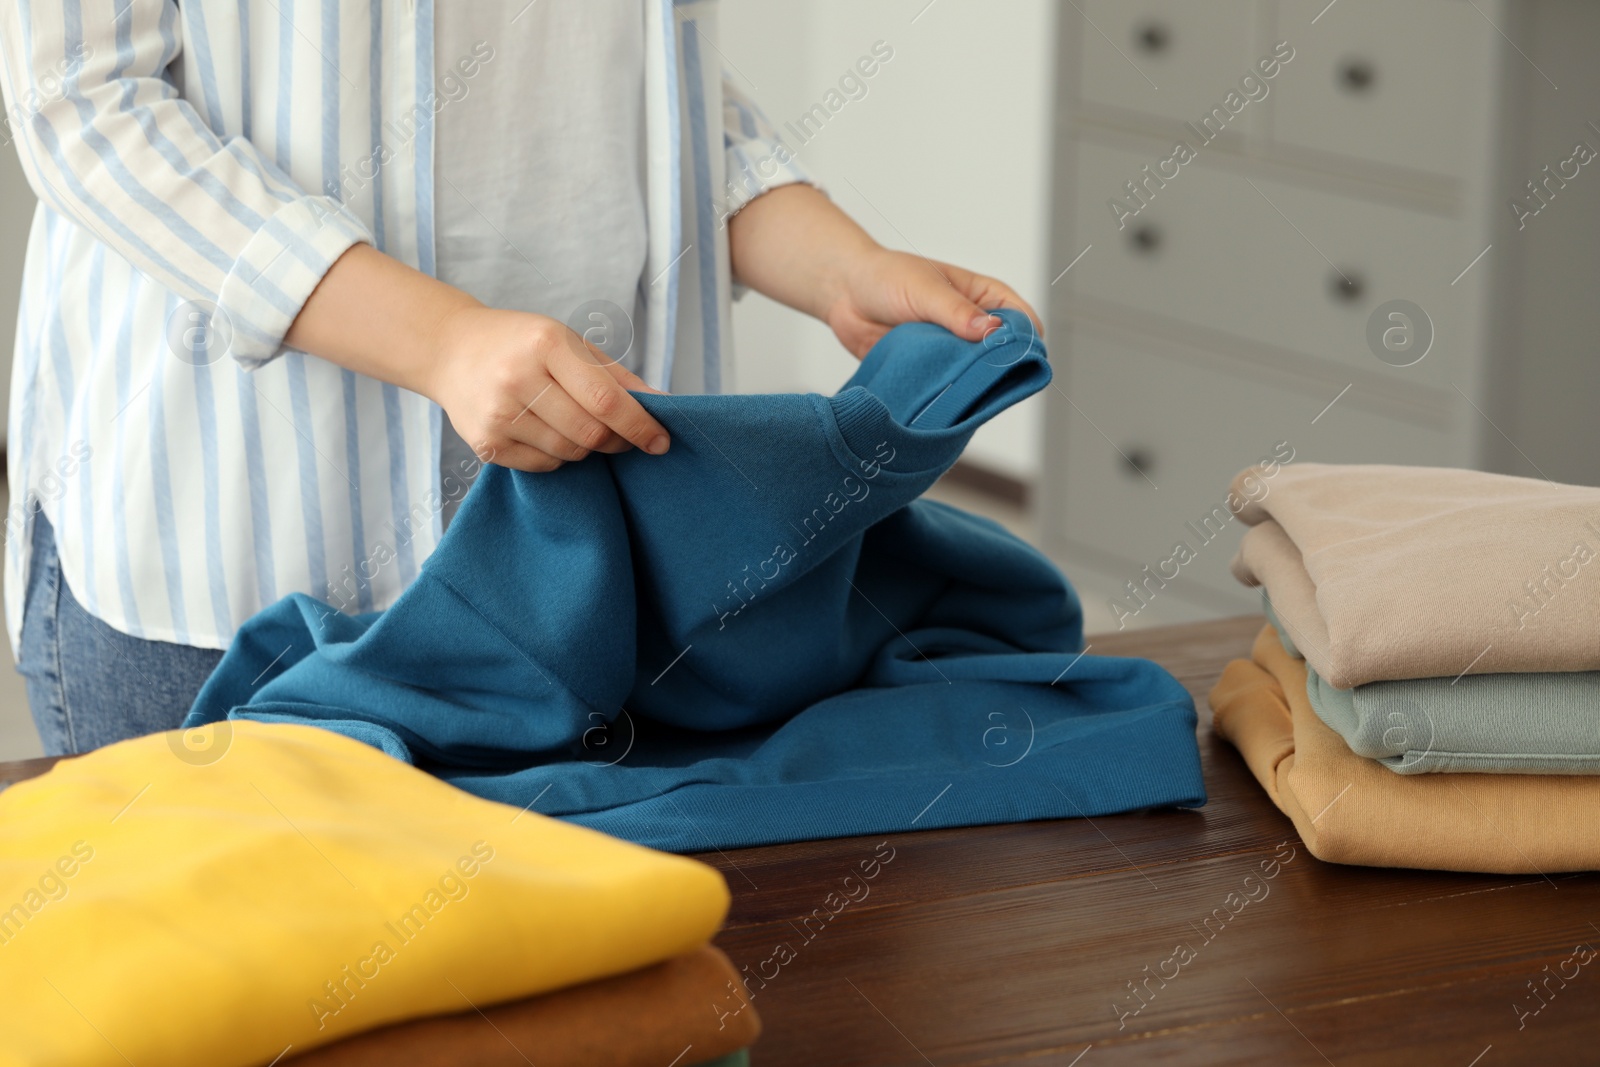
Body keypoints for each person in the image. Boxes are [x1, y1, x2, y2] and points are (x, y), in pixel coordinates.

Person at [0, 0, 1040, 755]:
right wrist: (441, 341)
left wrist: (841, 267)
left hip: (586, 580)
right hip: (237, 544)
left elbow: (655, 78)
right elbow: (83, 99)